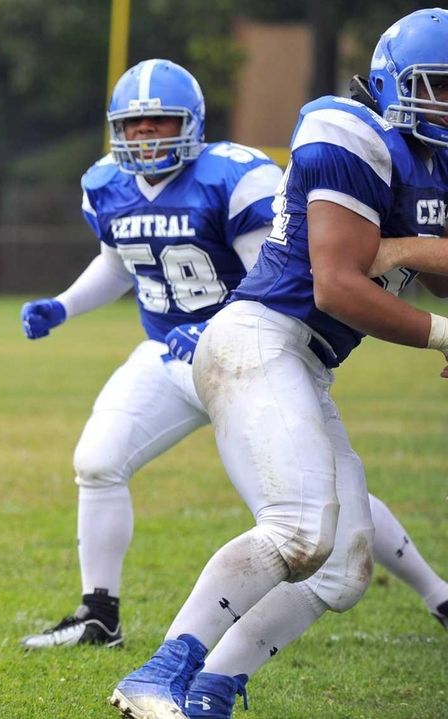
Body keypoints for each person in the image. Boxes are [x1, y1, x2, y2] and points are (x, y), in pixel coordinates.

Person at [19, 60, 448, 652]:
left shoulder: (234, 175)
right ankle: (100, 614)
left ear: (191, 124)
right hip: (164, 354)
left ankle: (436, 593)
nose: (146, 137)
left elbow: (266, 273)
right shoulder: (104, 182)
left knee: (304, 502)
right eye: (135, 126)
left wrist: (208, 329)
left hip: (240, 350)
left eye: (160, 123)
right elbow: (121, 259)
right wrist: (64, 306)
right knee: (97, 461)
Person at [111, 10, 448, 719]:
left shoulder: (432, 163)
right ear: (391, 84)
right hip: (258, 339)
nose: (446, 105)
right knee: (299, 529)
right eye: (437, 87)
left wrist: (408, 249)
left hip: (305, 361)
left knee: (346, 566)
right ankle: (158, 671)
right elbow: (339, 286)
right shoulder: (350, 132)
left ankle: (212, 688)